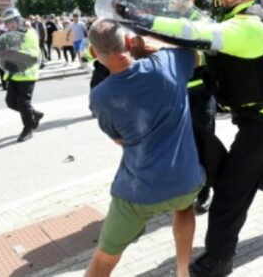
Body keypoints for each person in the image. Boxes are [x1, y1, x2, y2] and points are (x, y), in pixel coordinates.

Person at [123, 0, 263, 276]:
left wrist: (144, 19)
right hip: (256, 118)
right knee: (255, 171)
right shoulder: (230, 23)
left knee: (232, 190)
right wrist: (156, 53)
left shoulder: (248, 25)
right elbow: (208, 57)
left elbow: (194, 32)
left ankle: (219, 259)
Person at [85, 18, 205, 277]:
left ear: (94, 53)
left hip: (137, 193)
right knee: (184, 207)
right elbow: (193, 56)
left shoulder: (100, 96)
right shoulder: (169, 63)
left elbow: (119, 140)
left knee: (103, 259)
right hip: (184, 181)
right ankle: (182, 270)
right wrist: (148, 49)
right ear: (129, 41)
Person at [172, 0, 216, 213]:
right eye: (175, 0)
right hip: (177, 95)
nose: (178, 3)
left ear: (192, 0)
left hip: (200, 94)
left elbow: (208, 55)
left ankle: (205, 191)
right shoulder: (168, 22)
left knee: (203, 145)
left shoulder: (202, 23)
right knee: (181, 146)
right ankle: (187, 187)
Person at [0, 7, 44, 142]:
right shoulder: (10, 35)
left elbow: (31, 53)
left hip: (26, 74)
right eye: (7, 23)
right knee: (10, 102)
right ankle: (34, 115)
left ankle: (28, 128)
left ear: (18, 20)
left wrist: (15, 58)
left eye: (11, 22)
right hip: (14, 74)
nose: (9, 25)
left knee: (23, 102)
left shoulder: (28, 33)